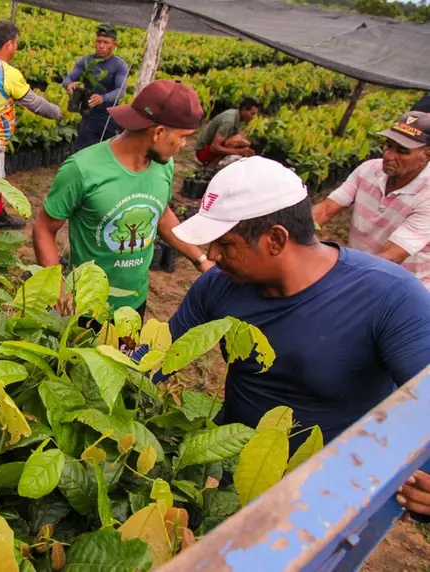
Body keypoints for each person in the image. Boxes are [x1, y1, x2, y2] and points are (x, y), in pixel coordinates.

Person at [166, 156, 430, 520]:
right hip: (240, 474)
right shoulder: (219, 286)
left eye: (225, 244)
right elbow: (161, 356)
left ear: (275, 239)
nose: (211, 255)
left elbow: (426, 399)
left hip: (331, 494)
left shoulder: (390, 298)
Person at [33, 80, 215, 316]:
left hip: (134, 303)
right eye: (182, 137)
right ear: (158, 133)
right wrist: (57, 287)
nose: (183, 145)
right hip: (84, 305)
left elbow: (160, 214)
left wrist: (199, 258)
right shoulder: (81, 169)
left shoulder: (164, 165)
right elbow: (44, 228)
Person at [0, 20, 61, 232]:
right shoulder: (8, 74)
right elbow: (34, 103)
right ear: (8, 44)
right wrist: (56, 112)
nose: (16, 47)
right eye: (16, 43)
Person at [313, 111, 430, 289]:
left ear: (427, 155)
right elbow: (326, 209)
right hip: (360, 270)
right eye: (388, 146)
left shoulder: (427, 194)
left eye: (402, 151)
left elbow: (391, 255)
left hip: (403, 288)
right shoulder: (368, 169)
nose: (389, 156)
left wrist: (336, 272)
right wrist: (298, 235)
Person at [62, 23, 129, 152]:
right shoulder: (86, 61)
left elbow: (120, 91)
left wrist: (103, 98)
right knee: (82, 151)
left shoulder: (119, 65)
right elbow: (68, 78)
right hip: (89, 114)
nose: (101, 46)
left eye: (106, 42)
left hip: (110, 115)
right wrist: (68, 84)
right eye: (98, 42)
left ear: (114, 45)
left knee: (111, 153)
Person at [194, 98, 259, 166]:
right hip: (202, 152)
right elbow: (214, 147)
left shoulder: (236, 115)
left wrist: (249, 145)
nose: (253, 117)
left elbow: (237, 136)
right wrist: (239, 152)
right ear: (244, 109)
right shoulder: (229, 121)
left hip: (208, 148)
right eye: (252, 114)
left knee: (239, 140)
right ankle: (211, 165)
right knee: (233, 143)